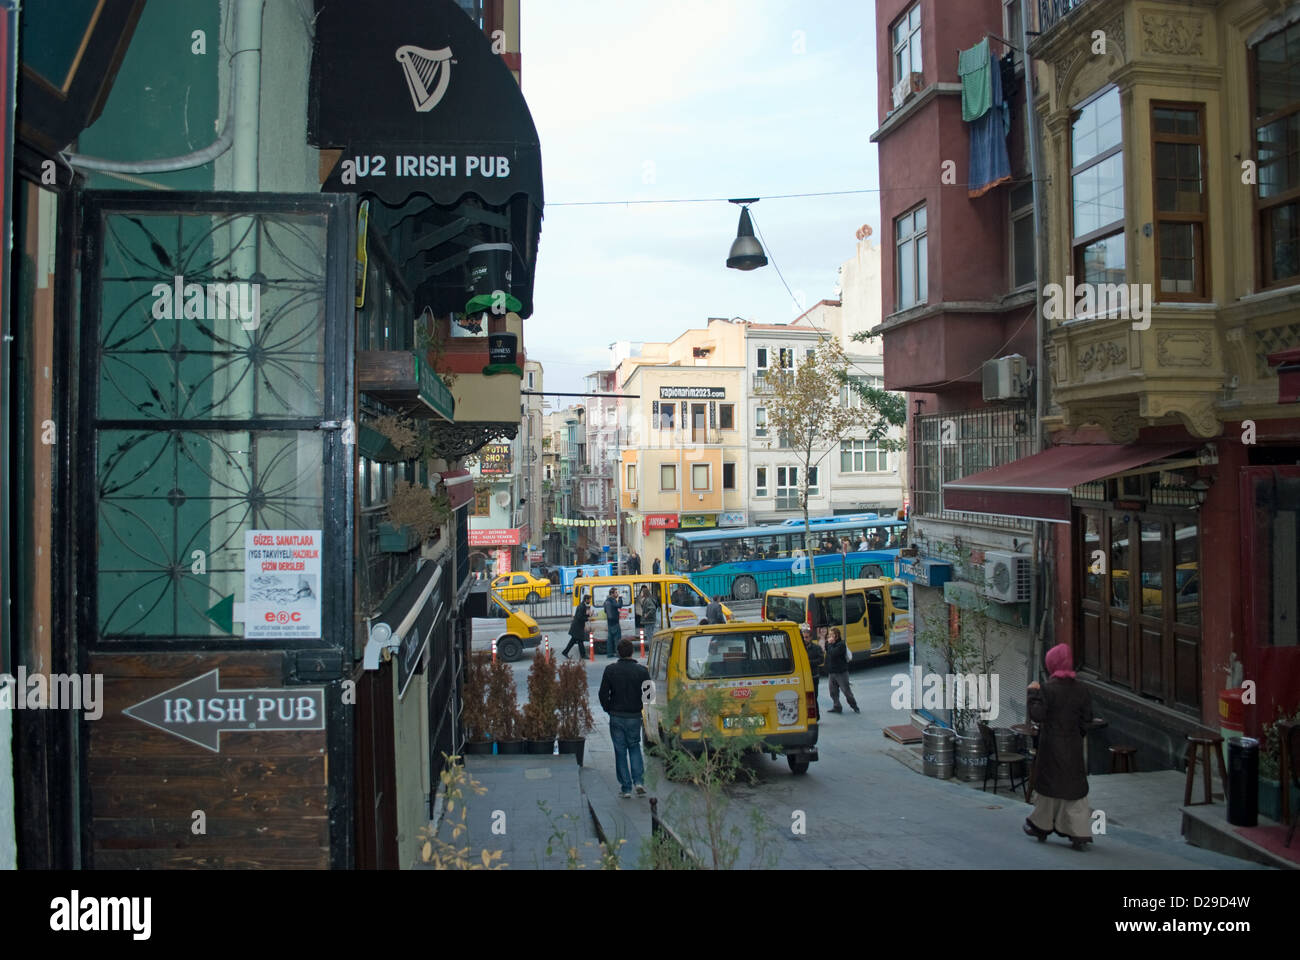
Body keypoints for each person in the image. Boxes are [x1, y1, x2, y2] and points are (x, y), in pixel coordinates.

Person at [1023, 643, 1095, 850]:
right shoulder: (1082, 689)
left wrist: (1032, 694)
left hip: (1051, 745)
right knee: (1074, 789)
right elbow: (1087, 718)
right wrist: (1077, 734)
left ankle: (1041, 824)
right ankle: (1079, 832)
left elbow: (1038, 715)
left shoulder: (1047, 689)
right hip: (1072, 745)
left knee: (1048, 787)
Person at [599, 639, 651, 799]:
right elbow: (650, 696)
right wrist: (640, 707)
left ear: (618, 652)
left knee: (620, 751)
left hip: (616, 715)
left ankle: (626, 787)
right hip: (634, 716)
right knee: (635, 747)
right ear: (631, 652)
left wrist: (608, 708)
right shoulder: (642, 671)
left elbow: (602, 694)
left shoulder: (610, 670)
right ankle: (639, 781)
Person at [824, 627, 859, 714]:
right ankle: (837, 706)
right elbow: (827, 649)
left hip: (841, 672)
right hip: (832, 672)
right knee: (833, 691)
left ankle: (854, 705)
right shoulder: (829, 644)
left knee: (846, 691)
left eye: (832, 635)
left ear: (837, 635)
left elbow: (833, 653)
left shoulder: (841, 644)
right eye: (829, 635)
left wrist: (830, 644)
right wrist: (828, 643)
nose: (830, 637)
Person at [800, 623, 824, 702]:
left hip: (813, 676)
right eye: (803, 637)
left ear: (810, 637)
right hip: (802, 677)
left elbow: (821, 660)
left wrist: (808, 663)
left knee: (814, 698)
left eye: (806, 637)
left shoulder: (816, 648)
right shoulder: (800, 648)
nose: (804, 639)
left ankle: (817, 714)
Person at [604, 588, 624, 658]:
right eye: (616, 593)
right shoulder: (612, 600)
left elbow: (605, 611)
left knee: (610, 639)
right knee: (617, 639)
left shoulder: (606, 601)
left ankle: (609, 654)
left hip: (609, 623)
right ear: (612, 594)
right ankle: (618, 654)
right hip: (615, 622)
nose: (617, 594)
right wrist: (620, 598)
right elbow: (619, 605)